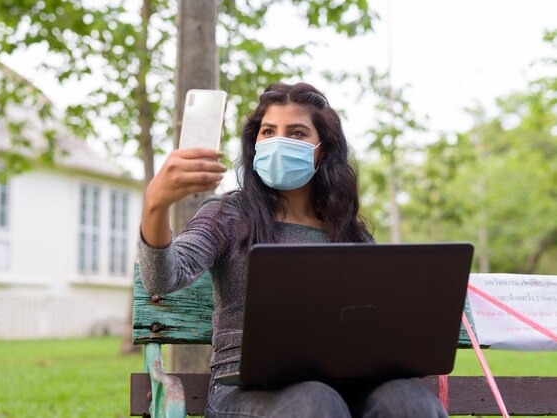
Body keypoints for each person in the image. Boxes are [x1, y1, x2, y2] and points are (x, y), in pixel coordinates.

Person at [138, 82, 447, 418]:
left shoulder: (351, 234)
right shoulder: (228, 213)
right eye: (268, 131)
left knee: (410, 401)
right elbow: (164, 278)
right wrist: (156, 204)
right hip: (244, 390)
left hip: (344, 385)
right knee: (314, 401)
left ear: (323, 149)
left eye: (297, 133)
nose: (279, 141)